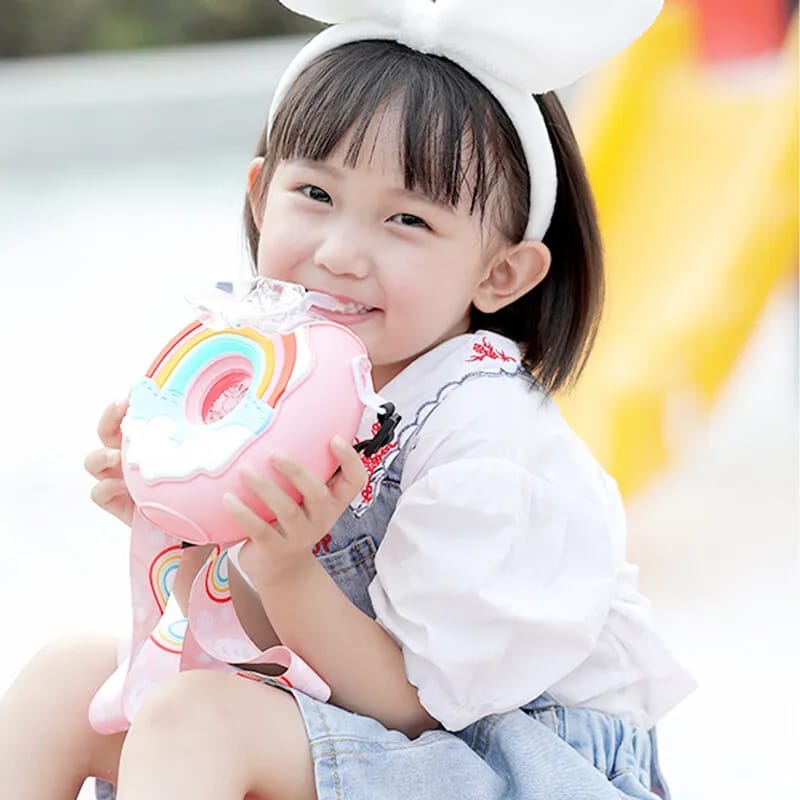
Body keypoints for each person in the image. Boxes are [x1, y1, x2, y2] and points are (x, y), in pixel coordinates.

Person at [0, 1, 696, 798]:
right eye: (316, 195)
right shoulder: (295, 379)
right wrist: (186, 529)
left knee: (199, 719)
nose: (339, 254)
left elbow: (416, 709)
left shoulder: (489, 443)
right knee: (68, 682)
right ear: (262, 197)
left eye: (407, 220)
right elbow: (261, 642)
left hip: (502, 757)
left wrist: (288, 569)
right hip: (359, 721)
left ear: (501, 273)